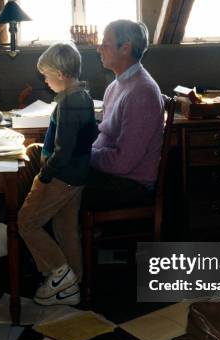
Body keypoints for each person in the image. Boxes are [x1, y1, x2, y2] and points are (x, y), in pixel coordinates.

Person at [18, 42, 98, 306]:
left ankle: (60, 272)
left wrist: (44, 176)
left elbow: (63, 152)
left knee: (26, 221)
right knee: (65, 228)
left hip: (61, 177)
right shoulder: (82, 96)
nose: (45, 79)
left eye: (46, 74)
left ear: (60, 74)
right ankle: (75, 283)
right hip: (77, 178)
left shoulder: (68, 103)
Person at [82, 20, 164, 210]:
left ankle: (18, 235)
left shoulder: (142, 92)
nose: (99, 48)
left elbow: (123, 163)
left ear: (125, 48)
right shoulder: (115, 86)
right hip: (111, 174)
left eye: (105, 43)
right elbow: (105, 140)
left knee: (53, 184)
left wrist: (85, 156)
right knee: (40, 160)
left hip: (129, 185)